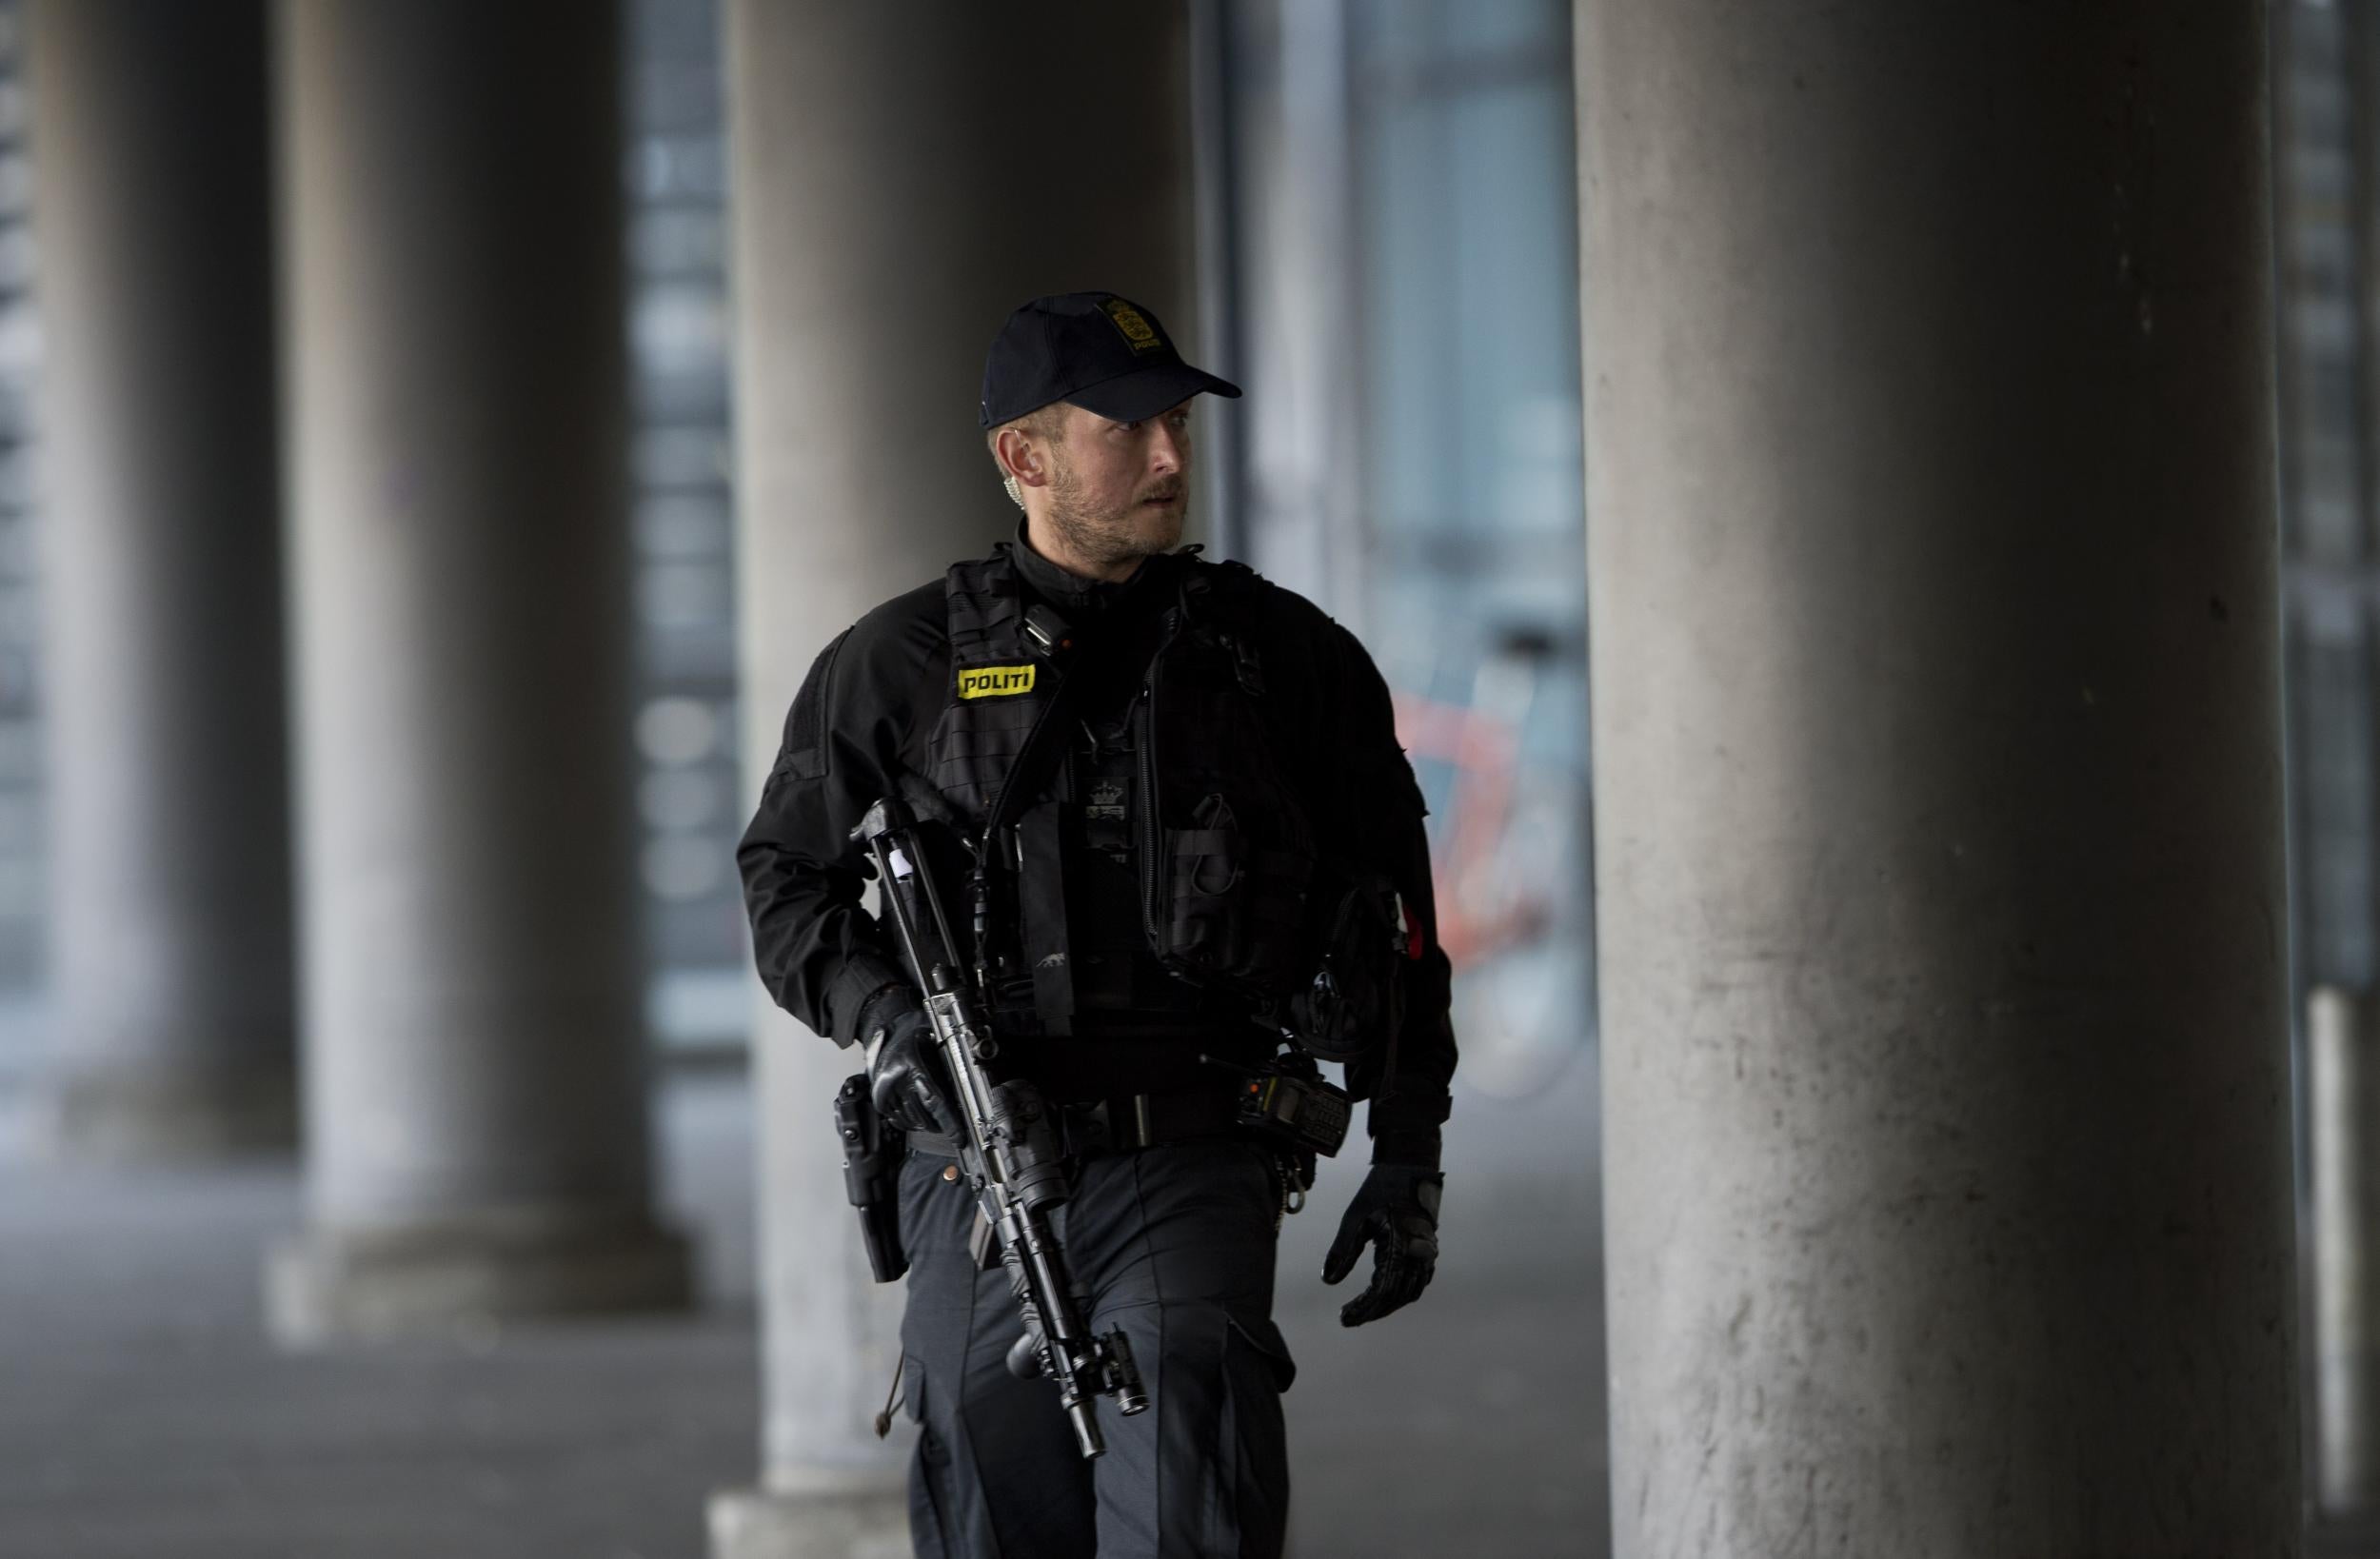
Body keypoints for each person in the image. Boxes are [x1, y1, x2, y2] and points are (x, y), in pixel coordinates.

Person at [737, 290, 1458, 1559]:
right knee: (986, 1500)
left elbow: (1394, 916)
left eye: (1176, 419)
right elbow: (783, 878)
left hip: (1190, 1150)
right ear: (1025, 458)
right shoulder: (896, 663)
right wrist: (891, 1021)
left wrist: (1410, 1152)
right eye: (1129, 428)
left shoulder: (1286, 658)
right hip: (970, 1162)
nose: (1172, 455)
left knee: (1190, 1493)